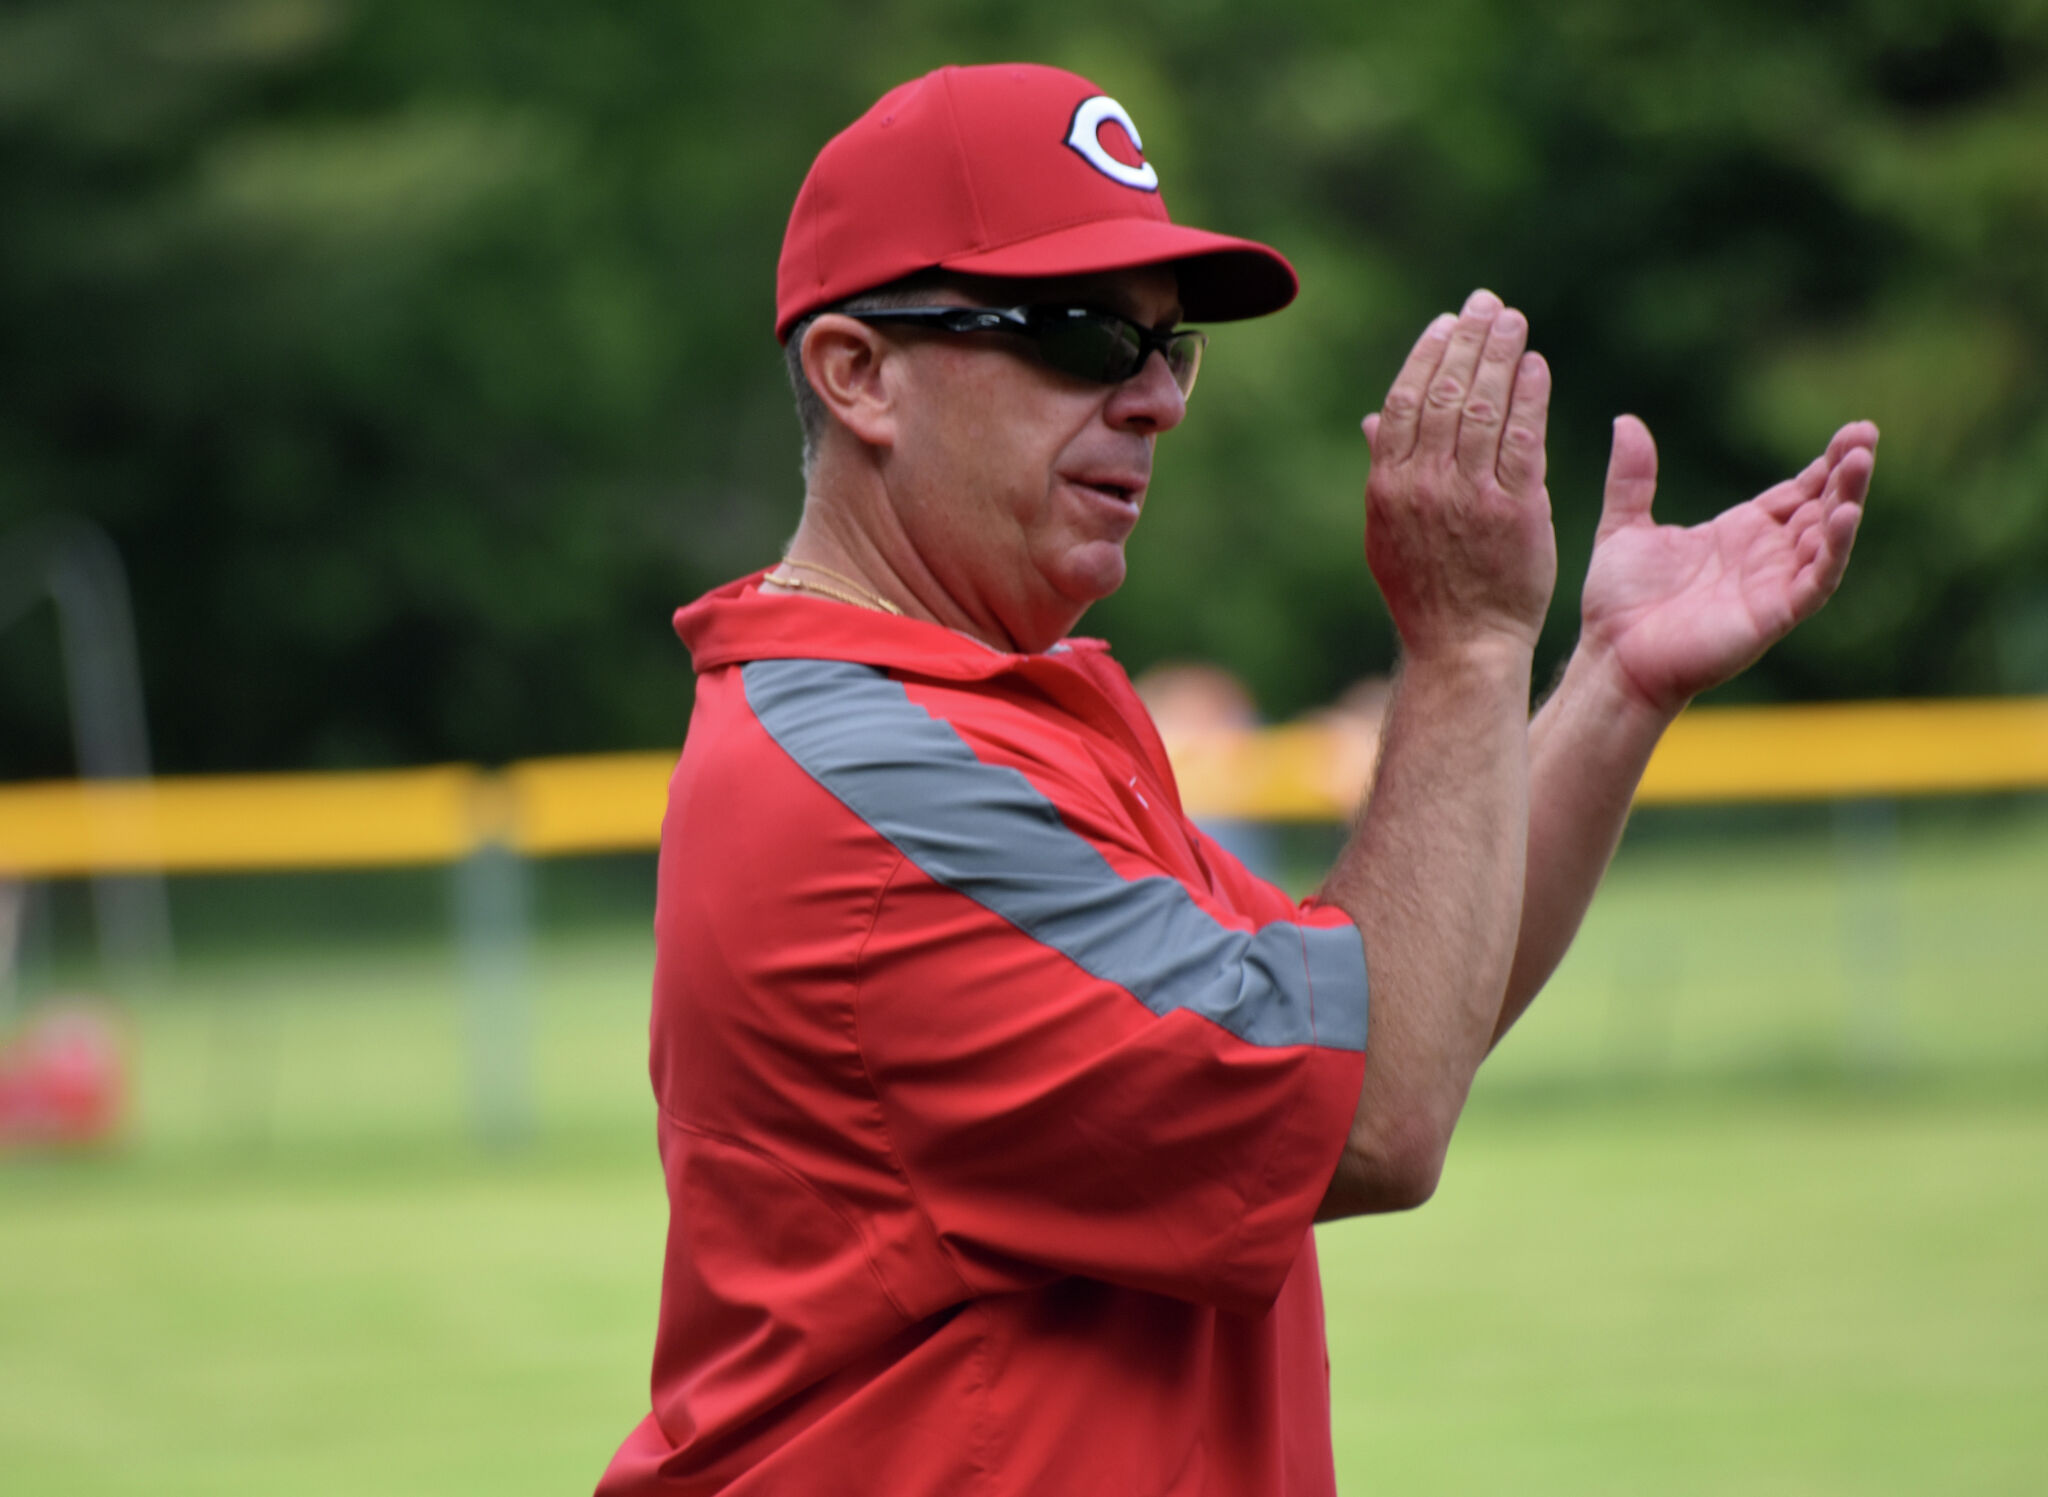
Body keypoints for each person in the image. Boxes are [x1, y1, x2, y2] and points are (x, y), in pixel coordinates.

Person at [596, 62, 1876, 1496]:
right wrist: (1461, 644)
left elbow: (1389, 1014)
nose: (1155, 400)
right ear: (859, 372)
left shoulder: (996, 712)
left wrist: (1616, 685)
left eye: (1168, 347)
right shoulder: (879, 783)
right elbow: (1380, 1115)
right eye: (1082, 336)